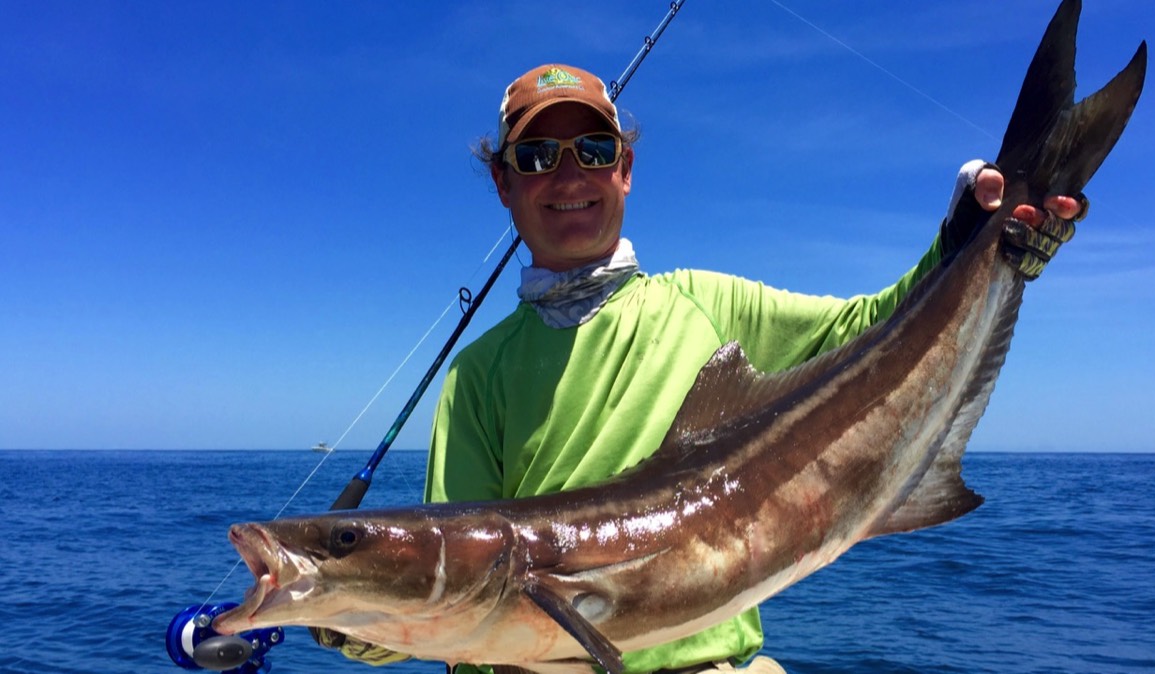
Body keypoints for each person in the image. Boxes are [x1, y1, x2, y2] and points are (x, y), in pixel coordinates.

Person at [319, 63, 1085, 673]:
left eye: (592, 151)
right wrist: (341, 616)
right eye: (536, 156)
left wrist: (971, 240)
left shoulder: (710, 303)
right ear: (504, 184)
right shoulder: (478, 376)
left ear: (624, 170)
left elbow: (877, 331)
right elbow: (458, 595)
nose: (568, 175)